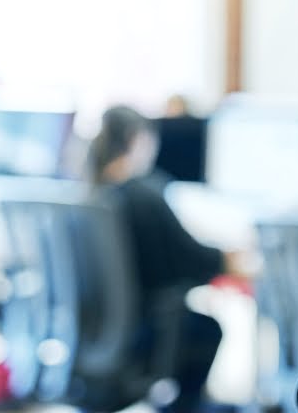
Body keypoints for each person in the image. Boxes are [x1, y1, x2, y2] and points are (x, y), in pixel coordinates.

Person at [89, 105, 227, 413]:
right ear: (136, 139)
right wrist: (230, 258)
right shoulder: (143, 194)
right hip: (144, 333)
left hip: (99, 330)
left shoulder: (93, 192)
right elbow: (191, 259)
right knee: (208, 330)